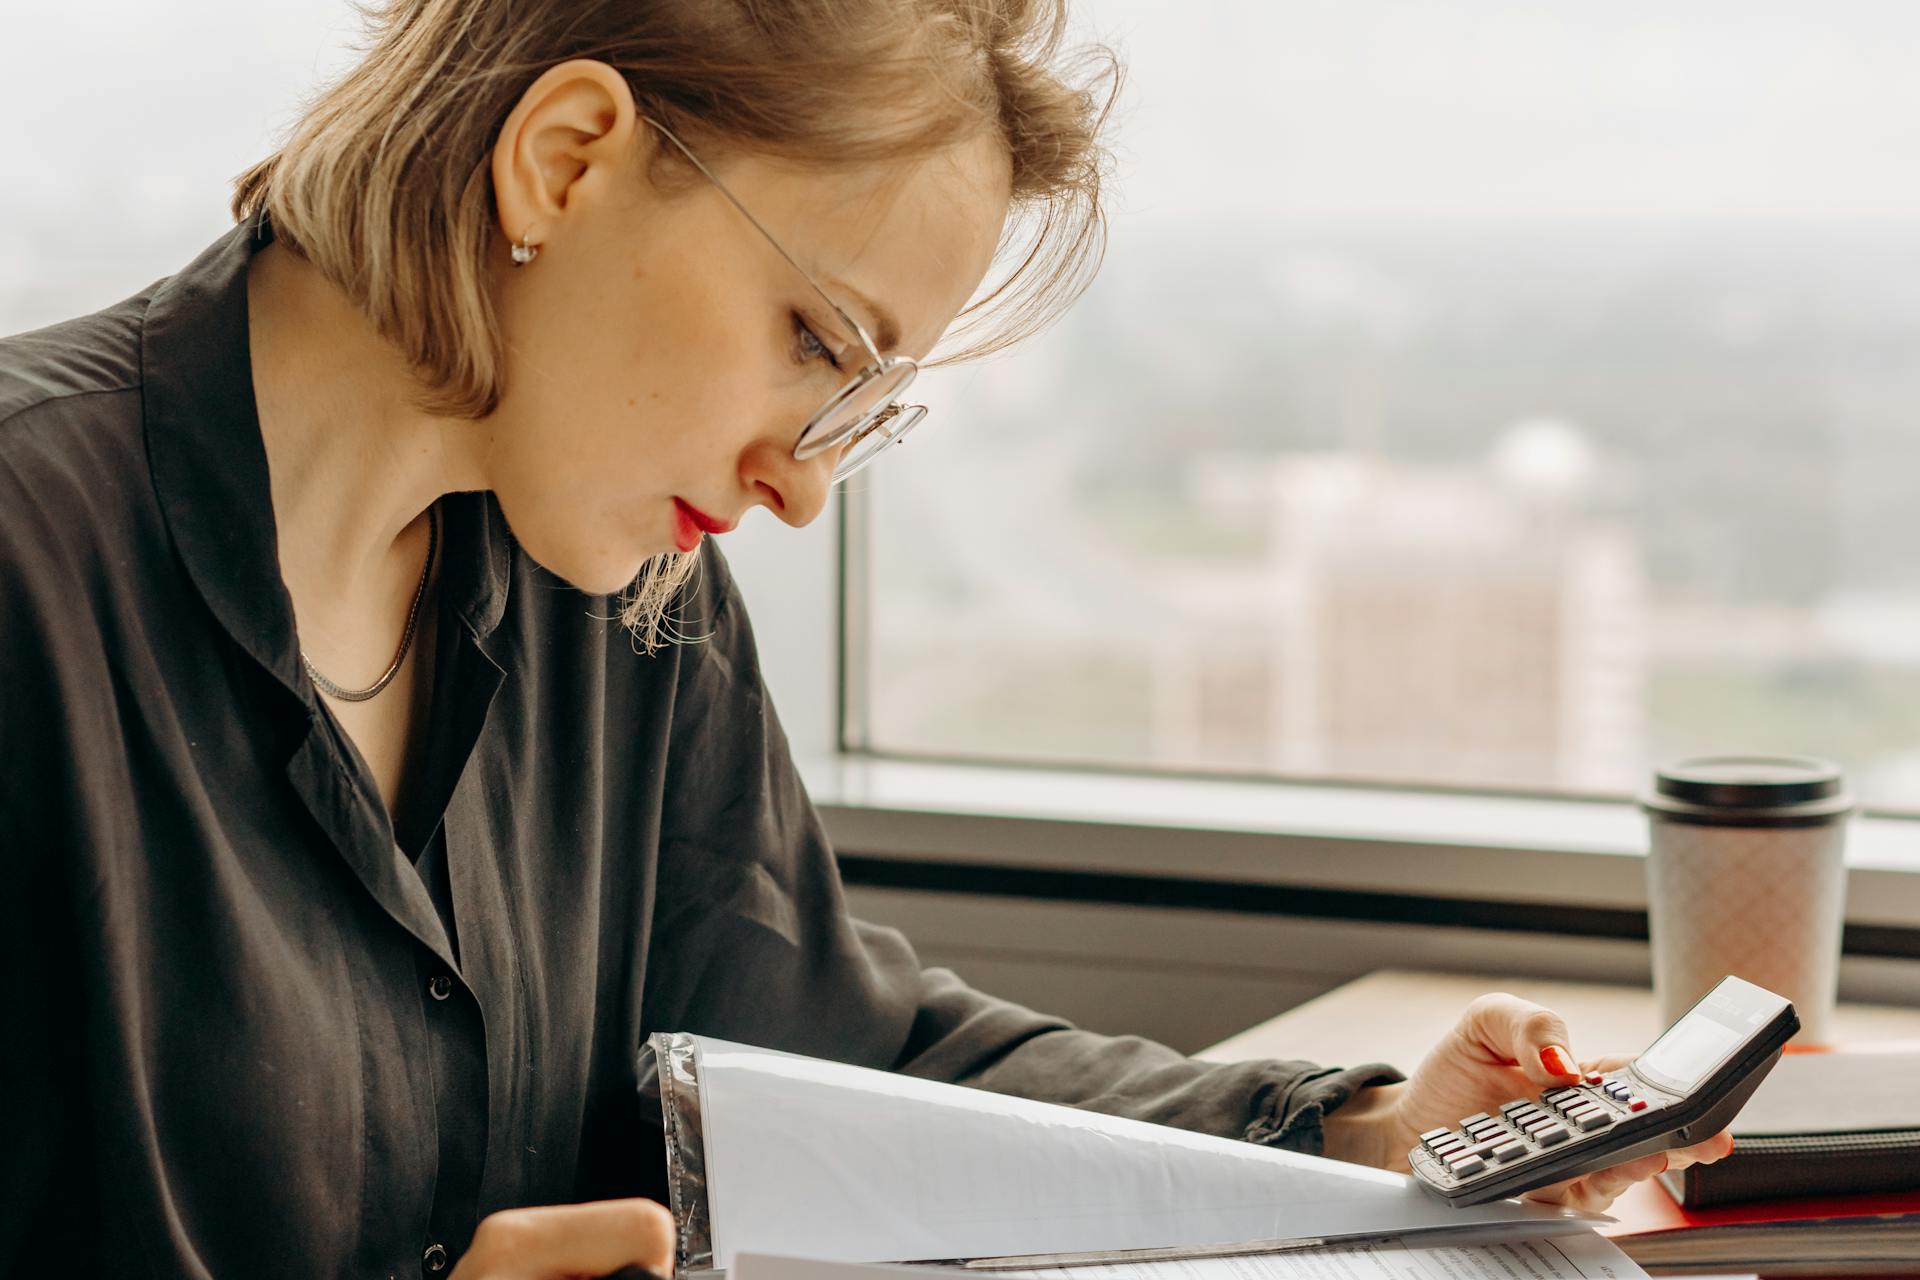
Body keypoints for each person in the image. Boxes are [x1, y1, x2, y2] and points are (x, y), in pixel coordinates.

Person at [0, 1, 1730, 1276]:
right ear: (567, 157)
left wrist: (1355, 1132)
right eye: (817, 340)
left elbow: (829, 1041)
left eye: (865, 404)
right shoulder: (27, 567)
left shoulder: (624, 603)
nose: (799, 486)